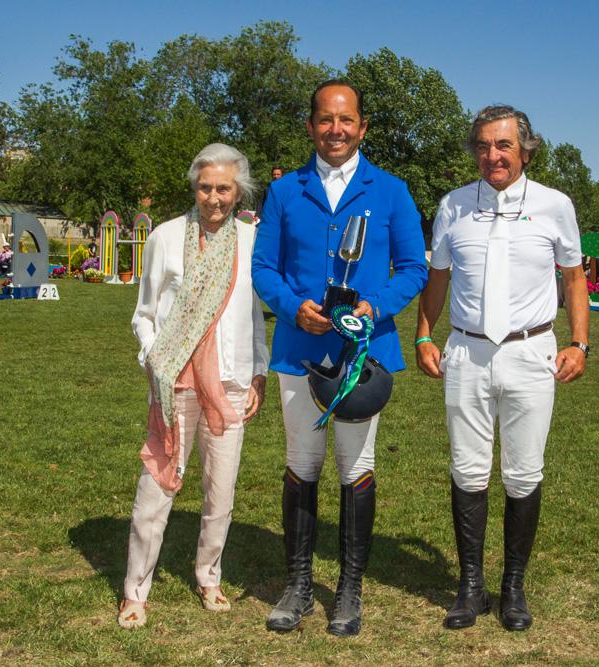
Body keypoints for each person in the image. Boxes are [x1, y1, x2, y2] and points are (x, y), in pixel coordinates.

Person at [251, 79, 427, 637]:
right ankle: (298, 585)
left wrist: (374, 308)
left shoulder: (392, 191)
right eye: (325, 120)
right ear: (310, 126)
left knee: (356, 467)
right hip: (300, 350)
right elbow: (263, 269)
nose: (336, 130)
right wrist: (289, 306)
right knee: (303, 464)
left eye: (346, 120)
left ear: (362, 127)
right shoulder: (284, 192)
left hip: (363, 357)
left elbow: (414, 269)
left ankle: (349, 590)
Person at [414, 105, 589, 632]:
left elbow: (575, 278)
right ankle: (470, 588)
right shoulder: (453, 206)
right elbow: (438, 278)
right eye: (484, 145)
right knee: (468, 470)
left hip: (531, 352)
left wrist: (580, 343)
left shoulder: (555, 205)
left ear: (526, 150)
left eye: (504, 145)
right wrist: (424, 332)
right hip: (466, 352)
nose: (493, 155)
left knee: (523, 473)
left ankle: (513, 587)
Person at [118, 143, 269, 629]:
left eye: (223, 188)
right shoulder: (165, 236)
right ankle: (134, 590)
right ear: (195, 187)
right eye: (205, 187)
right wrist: (153, 358)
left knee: (219, 492)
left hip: (229, 383)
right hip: (175, 382)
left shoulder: (250, 241)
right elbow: (144, 312)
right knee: (157, 485)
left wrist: (259, 373)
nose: (214, 198)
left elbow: (254, 316)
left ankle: (209, 576)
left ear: (238, 190)